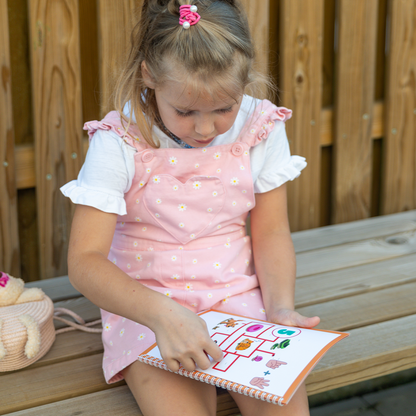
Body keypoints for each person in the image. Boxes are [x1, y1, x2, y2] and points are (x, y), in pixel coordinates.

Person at [61, 1, 320, 415]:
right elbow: (85, 261)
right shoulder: (118, 141)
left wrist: (281, 307)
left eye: (224, 108)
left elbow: (270, 232)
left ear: (245, 81)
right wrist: (161, 315)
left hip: (238, 298)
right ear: (148, 75)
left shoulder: (261, 127)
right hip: (146, 306)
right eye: (185, 111)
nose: (205, 129)